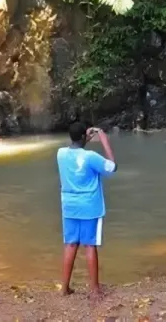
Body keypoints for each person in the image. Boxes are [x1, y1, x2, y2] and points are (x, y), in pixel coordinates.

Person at [57, 122, 116, 297]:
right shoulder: (91, 157)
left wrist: (84, 139)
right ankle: (94, 290)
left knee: (71, 244)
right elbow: (112, 168)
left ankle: (64, 288)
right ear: (84, 137)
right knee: (90, 246)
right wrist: (104, 141)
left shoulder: (60, 154)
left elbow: (76, 151)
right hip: (90, 207)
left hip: (69, 206)